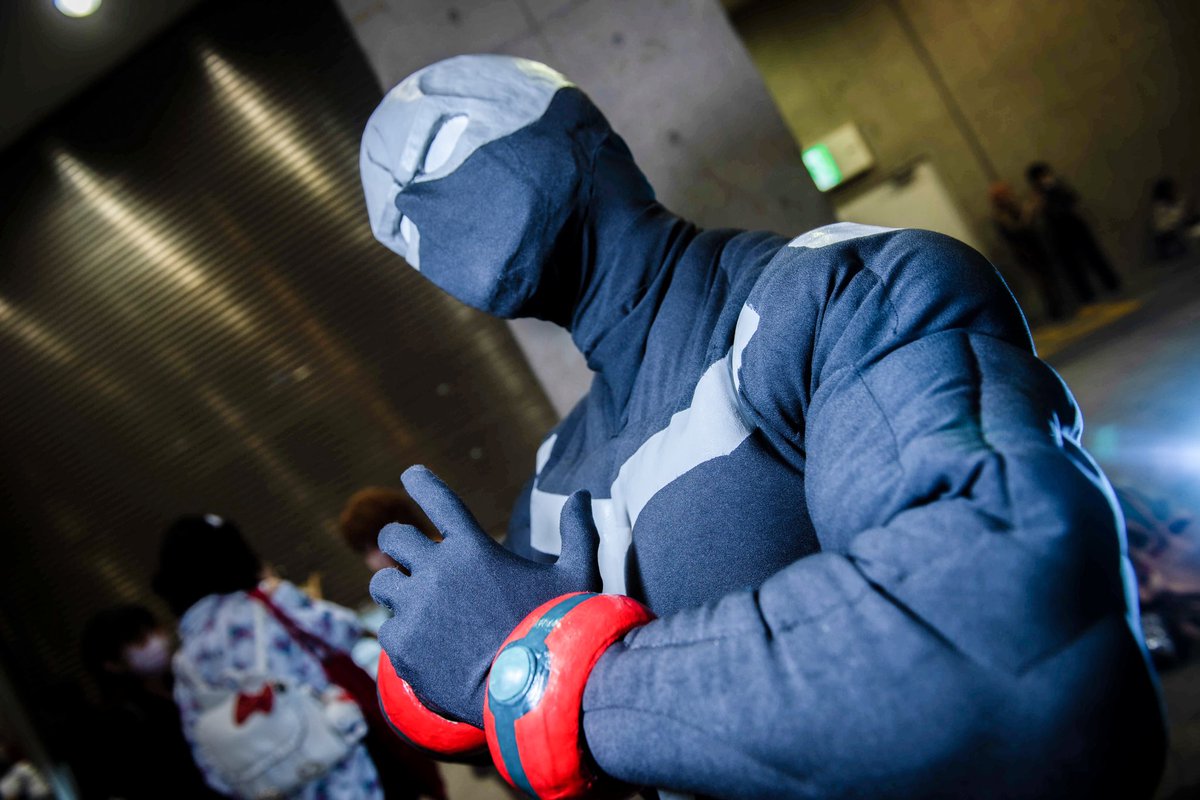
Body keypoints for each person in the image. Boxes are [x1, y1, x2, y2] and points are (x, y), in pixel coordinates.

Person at [358, 55, 1165, 799]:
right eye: (392, 222)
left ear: (581, 129)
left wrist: (565, 680)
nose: (398, 191)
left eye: (439, 140)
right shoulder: (552, 481)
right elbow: (511, 695)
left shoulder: (842, 291)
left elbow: (1017, 649)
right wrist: (459, 681)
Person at [154, 513, 441, 800]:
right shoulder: (267, 602)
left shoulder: (185, 664)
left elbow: (208, 760)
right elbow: (344, 630)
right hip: (352, 770)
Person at [80, 605, 225, 799]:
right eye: (140, 642)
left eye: (156, 631)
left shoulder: (185, 680)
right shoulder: (120, 722)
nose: (156, 642)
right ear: (112, 665)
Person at [1026, 161, 1122, 302]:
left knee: (1093, 255)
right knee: (1072, 266)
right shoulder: (1037, 195)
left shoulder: (1057, 185)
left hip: (1073, 224)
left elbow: (1072, 198)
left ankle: (1111, 282)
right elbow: (1037, 213)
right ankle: (1086, 294)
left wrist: (1054, 189)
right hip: (1057, 231)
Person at [988, 180, 1066, 321]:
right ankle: (1055, 310)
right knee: (1042, 281)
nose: (1009, 196)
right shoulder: (1000, 216)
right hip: (1025, 252)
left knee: (1050, 276)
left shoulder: (1014, 207)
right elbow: (1018, 227)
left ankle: (1060, 306)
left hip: (1036, 246)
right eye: (1004, 194)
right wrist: (1029, 210)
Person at [1149, 177, 1199, 261]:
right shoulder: (1160, 207)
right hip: (1166, 240)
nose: (1175, 191)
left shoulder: (1167, 206)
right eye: (1173, 189)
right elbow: (1173, 219)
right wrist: (1184, 204)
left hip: (1172, 237)